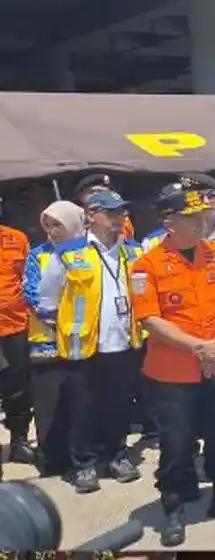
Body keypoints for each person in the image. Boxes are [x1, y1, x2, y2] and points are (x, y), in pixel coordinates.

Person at [131, 185, 215, 546]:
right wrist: (198, 346)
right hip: (172, 374)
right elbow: (150, 319)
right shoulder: (147, 265)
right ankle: (175, 504)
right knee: (176, 443)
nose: (205, 222)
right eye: (194, 218)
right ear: (170, 223)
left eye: (206, 216)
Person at [36, 190, 144, 493]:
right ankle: (83, 465)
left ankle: (117, 455)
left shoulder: (133, 252)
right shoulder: (69, 253)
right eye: (112, 214)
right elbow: (47, 300)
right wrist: (66, 327)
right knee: (83, 408)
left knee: (118, 405)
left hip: (123, 343)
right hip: (83, 347)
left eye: (122, 213)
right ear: (92, 215)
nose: (119, 219)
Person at [23, 202, 85, 479]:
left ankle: (81, 458)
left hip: (84, 342)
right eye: (47, 225)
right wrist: (61, 319)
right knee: (49, 404)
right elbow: (32, 294)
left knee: (81, 402)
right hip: (47, 342)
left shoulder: (88, 252)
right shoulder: (39, 255)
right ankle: (52, 459)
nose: (52, 231)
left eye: (57, 224)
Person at [0, 205, 33, 473]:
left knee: (18, 387)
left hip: (14, 325)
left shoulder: (17, 238)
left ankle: (19, 441)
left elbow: (27, 278)